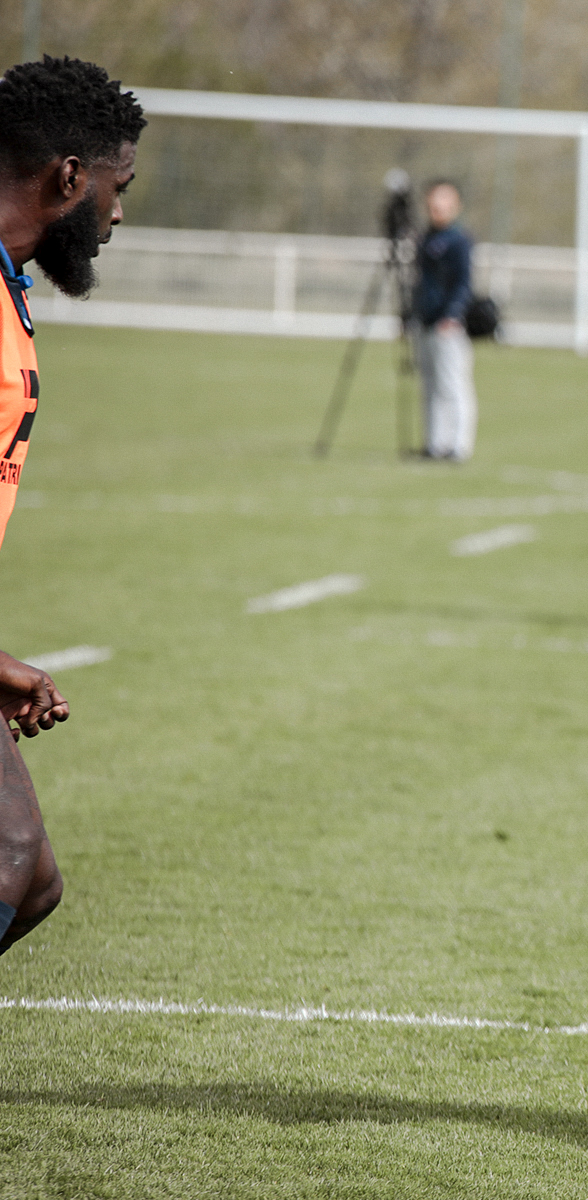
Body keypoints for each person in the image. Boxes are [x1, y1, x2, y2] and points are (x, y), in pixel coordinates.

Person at [0, 57, 144, 957]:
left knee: (35, 880)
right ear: (68, 177)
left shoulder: (10, 291)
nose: (119, 213)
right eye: (117, 187)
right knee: (9, 856)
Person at [412, 179, 478, 462]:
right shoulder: (424, 238)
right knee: (430, 384)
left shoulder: (459, 240)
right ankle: (435, 443)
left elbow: (464, 282)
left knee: (452, 384)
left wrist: (452, 314)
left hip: (447, 325)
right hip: (424, 321)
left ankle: (459, 445)